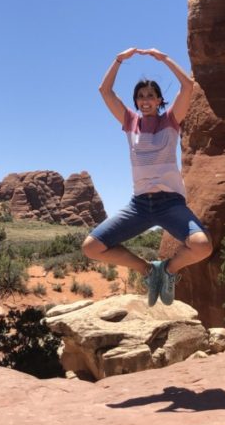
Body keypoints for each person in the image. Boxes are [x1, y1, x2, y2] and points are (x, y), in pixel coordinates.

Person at [82, 47, 213, 306]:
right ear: (136, 101)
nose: (145, 99)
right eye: (141, 96)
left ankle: (168, 270)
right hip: (140, 205)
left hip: (170, 203)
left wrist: (164, 59)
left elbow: (188, 86)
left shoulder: (171, 120)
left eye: (151, 96)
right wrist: (119, 60)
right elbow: (104, 91)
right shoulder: (130, 122)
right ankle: (148, 271)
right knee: (91, 247)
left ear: (159, 100)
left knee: (202, 246)